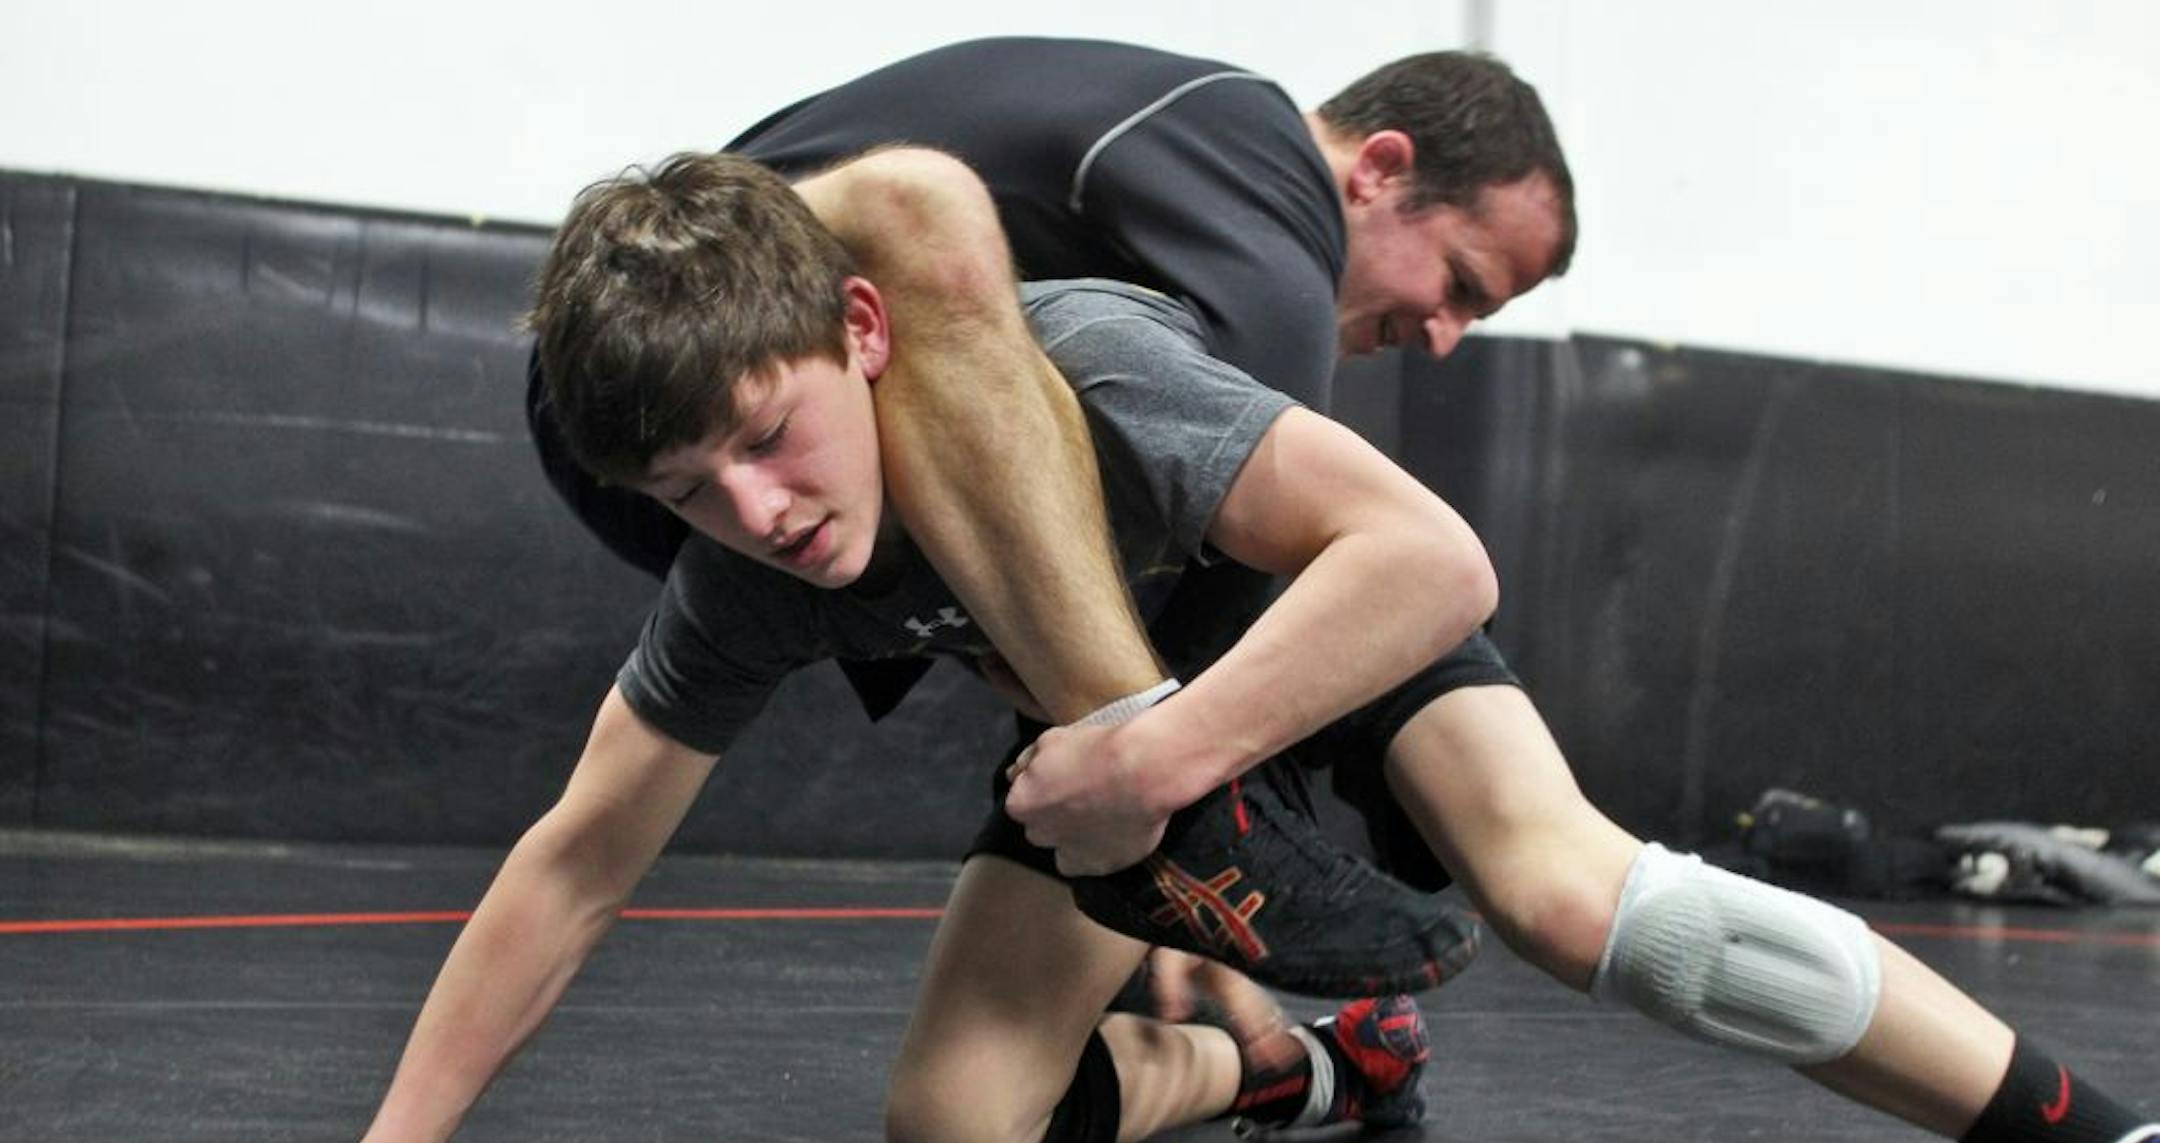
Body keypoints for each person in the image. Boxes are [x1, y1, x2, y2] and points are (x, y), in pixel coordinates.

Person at [88, 152, 1505, 1143]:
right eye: (688, 491)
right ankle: (1309, 1065)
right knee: (953, 1138)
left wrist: (1167, 754)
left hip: (1301, 637)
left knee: (1552, 889)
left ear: (865, 327)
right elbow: (577, 859)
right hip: (1097, 731)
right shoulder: (749, 575)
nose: (758, 513)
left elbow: (1432, 561)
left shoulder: (1091, 371)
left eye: (769, 435)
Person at [527, 39, 1575, 882]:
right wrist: (1174, 791)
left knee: (1118, 549)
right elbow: (1232, 572)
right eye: (1461, 284)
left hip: (679, 426)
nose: (1446, 336)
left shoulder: (1170, 201)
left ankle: (1204, 957)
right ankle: (1218, 850)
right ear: (1379, 170)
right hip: (654, 360)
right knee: (1248, 586)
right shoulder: (1258, 162)